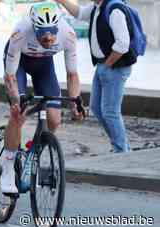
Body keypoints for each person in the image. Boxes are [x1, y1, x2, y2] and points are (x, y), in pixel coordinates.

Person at [1, 2, 83, 193]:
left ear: (57, 27)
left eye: (51, 33)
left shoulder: (68, 34)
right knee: (18, 115)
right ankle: (7, 166)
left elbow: (72, 75)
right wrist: (16, 100)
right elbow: (10, 77)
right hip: (18, 65)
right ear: (34, 27)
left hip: (44, 66)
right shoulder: (20, 32)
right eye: (43, 34)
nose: (48, 38)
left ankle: (33, 153)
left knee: (54, 120)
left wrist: (75, 101)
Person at [55, 0, 134, 153]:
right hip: (103, 66)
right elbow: (79, 13)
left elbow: (123, 44)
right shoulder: (97, 7)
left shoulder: (114, 9)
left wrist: (107, 64)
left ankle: (122, 151)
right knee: (97, 108)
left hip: (115, 67)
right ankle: (120, 145)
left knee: (110, 112)